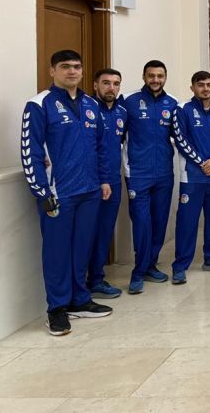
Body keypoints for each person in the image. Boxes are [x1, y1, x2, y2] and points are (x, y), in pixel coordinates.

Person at [21, 50, 113, 335]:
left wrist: (104, 180)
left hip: (89, 190)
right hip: (58, 193)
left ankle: (79, 299)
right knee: (57, 251)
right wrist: (41, 191)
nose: (72, 71)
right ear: (53, 71)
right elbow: (31, 152)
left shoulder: (91, 104)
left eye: (76, 67)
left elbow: (101, 146)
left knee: (82, 247)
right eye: (65, 67)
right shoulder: (39, 105)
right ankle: (57, 308)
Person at [122, 60, 179, 294]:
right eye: (151, 75)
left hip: (164, 172)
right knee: (142, 222)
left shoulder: (173, 103)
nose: (156, 80)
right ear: (144, 76)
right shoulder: (128, 101)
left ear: (165, 77)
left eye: (160, 76)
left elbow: (181, 136)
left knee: (159, 221)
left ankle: (150, 265)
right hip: (137, 173)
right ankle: (138, 272)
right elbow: (115, 134)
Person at [170, 71, 210, 284]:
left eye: (209, 85)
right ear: (192, 87)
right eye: (201, 85)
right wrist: (202, 162)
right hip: (193, 177)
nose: (205, 88)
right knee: (187, 222)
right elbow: (181, 139)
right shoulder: (182, 109)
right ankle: (180, 266)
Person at [87, 68, 128, 299]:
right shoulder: (87, 109)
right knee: (86, 233)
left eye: (115, 83)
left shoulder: (122, 112)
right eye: (106, 83)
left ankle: (96, 279)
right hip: (90, 182)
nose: (111, 87)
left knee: (104, 232)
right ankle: (79, 283)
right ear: (95, 85)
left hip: (113, 181)